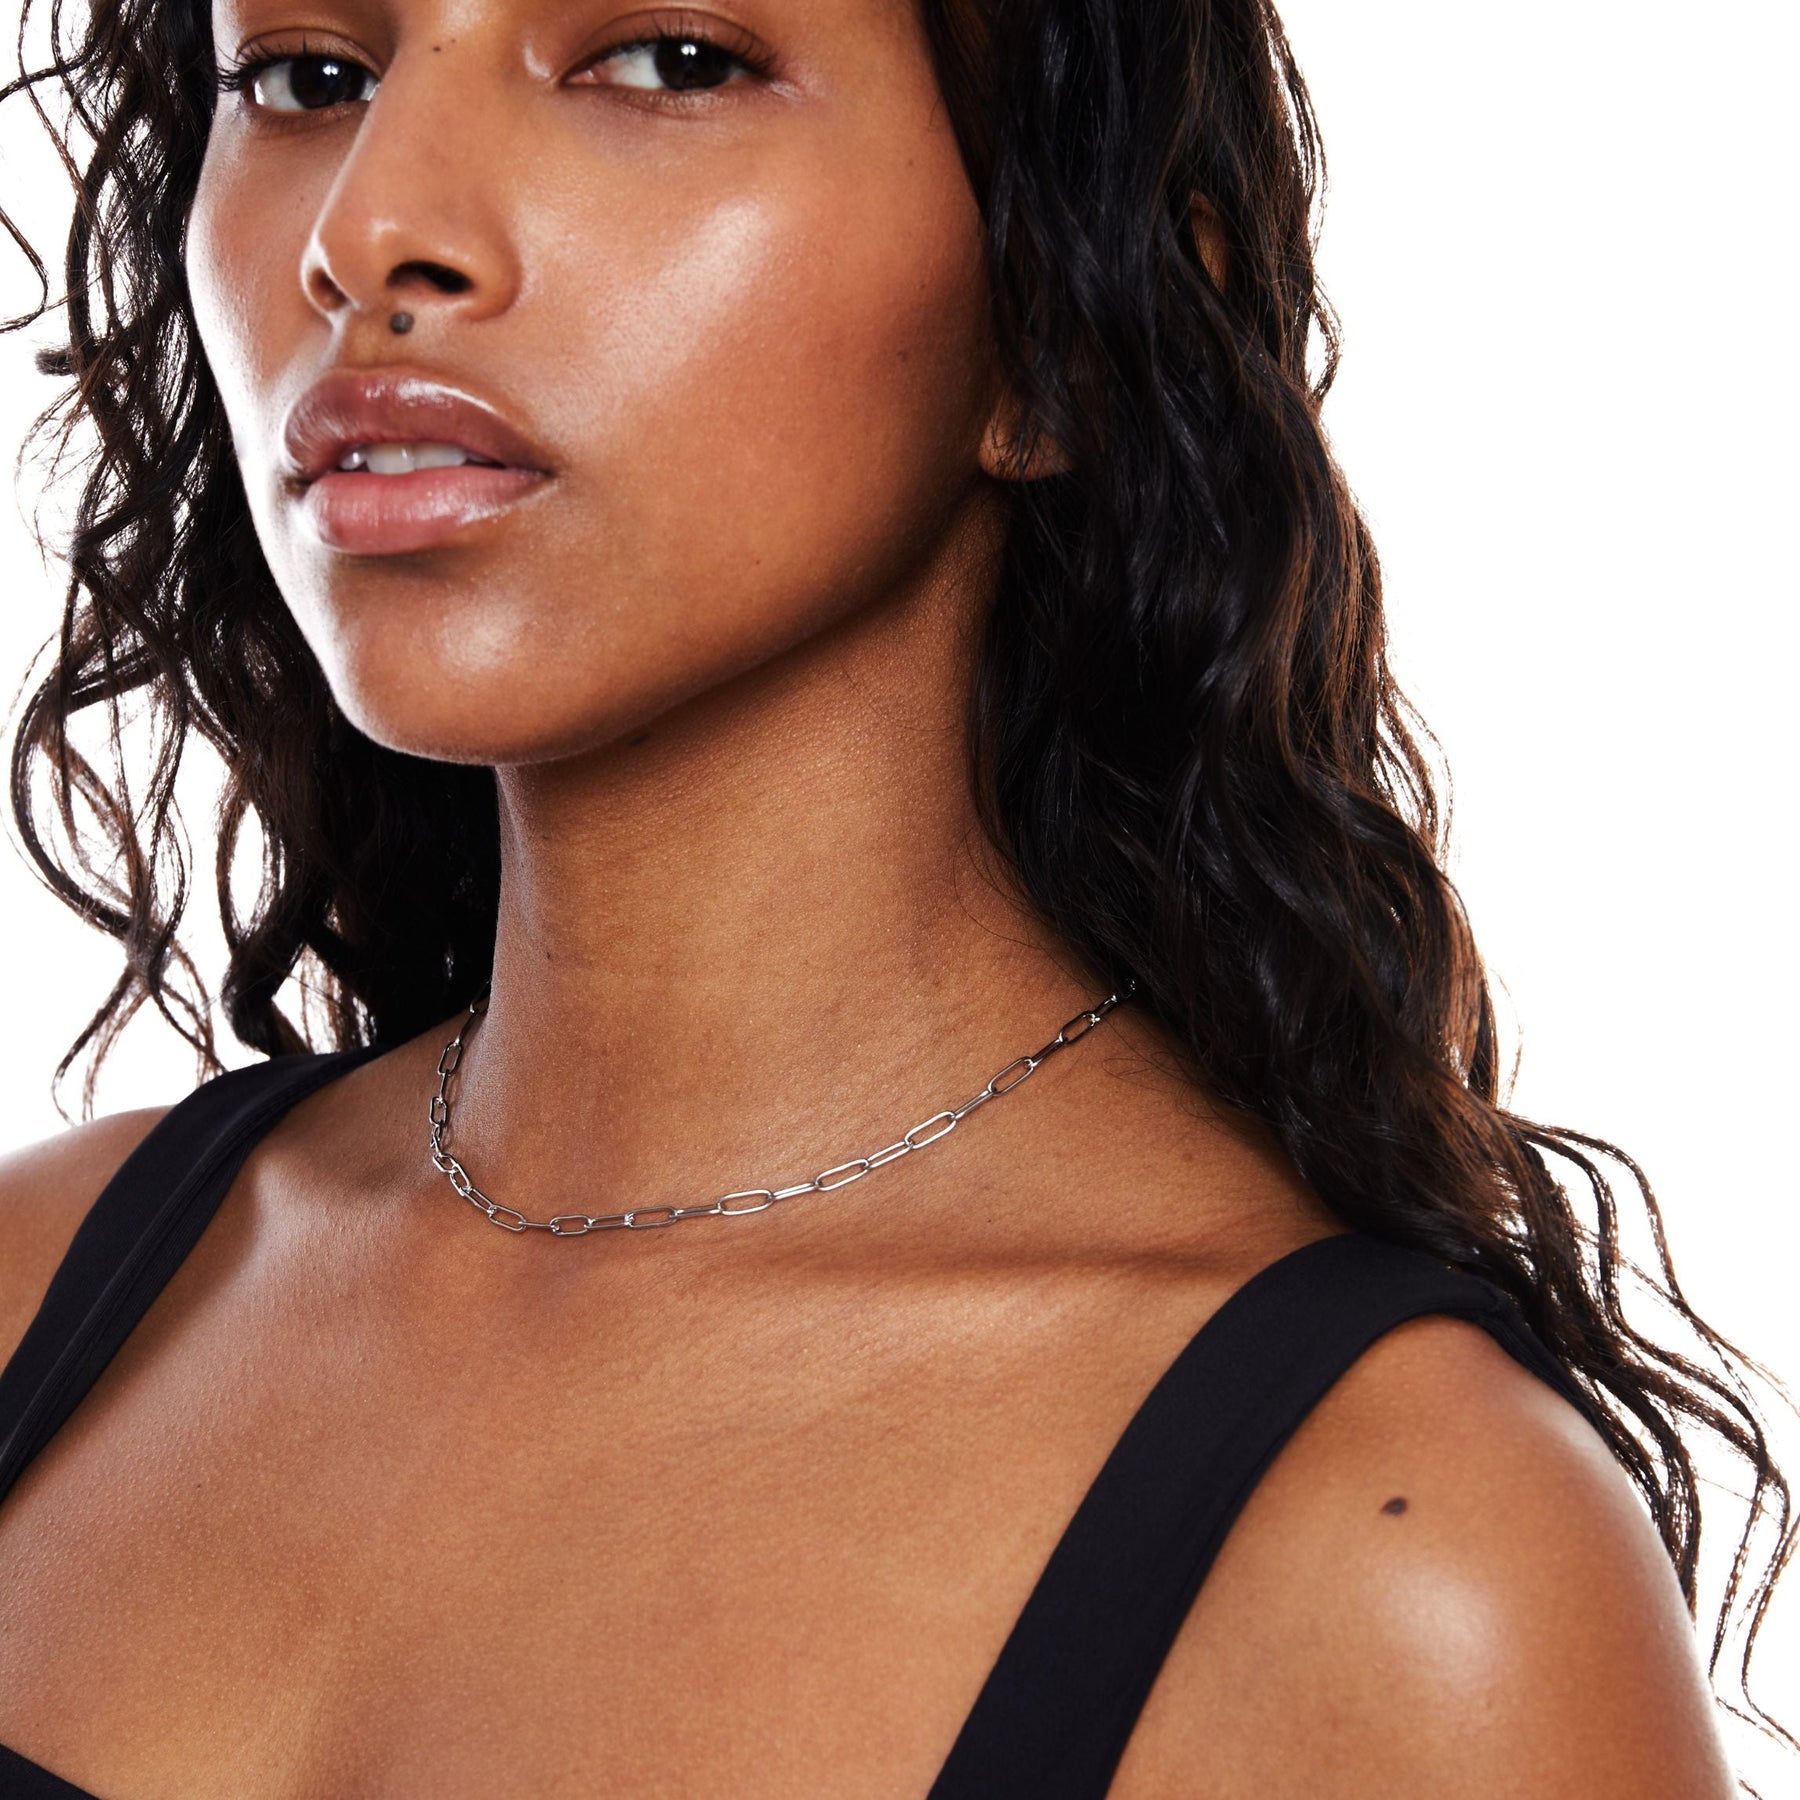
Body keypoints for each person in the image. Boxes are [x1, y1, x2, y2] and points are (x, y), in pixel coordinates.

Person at [0, 0, 1790, 1791]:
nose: (370, 226)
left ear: (1060, 329)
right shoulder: (37, 1290)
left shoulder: (1392, 1579)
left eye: (670, 60)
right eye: (307, 76)